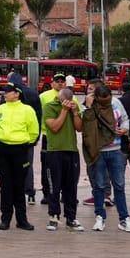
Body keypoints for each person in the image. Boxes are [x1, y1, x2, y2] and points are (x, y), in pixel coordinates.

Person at [81, 84, 130, 233]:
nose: (106, 102)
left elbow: (125, 119)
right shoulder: (90, 106)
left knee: (119, 185)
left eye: (108, 99)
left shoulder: (117, 103)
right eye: (103, 100)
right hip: (98, 151)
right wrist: (88, 106)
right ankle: (100, 217)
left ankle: (124, 219)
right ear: (97, 98)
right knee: (99, 186)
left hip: (116, 150)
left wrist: (124, 129)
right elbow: (85, 125)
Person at [0, 81, 39, 231]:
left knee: (19, 185)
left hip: (20, 150)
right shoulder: (0, 109)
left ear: (17, 94)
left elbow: (33, 131)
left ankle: (22, 219)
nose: (4, 94)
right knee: (5, 185)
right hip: (3, 150)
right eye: (4, 91)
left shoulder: (27, 110)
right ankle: (5, 218)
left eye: (8, 91)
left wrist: (26, 144)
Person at [42, 88, 85, 231]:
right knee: (54, 186)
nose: (67, 102)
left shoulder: (74, 106)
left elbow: (79, 128)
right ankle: (53, 216)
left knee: (71, 187)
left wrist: (74, 112)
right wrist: (64, 111)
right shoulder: (49, 107)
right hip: (54, 151)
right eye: (64, 100)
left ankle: (71, 218)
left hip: (71, 151)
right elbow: (54, 127)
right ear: (58, 99)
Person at [4, 71, 42, 206]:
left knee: (10, 168)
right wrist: (35, 138)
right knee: (28, 165)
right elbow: (38, 117)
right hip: (27, 139)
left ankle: (14, 193)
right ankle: (30, 193)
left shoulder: (9, 95)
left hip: (9, 139)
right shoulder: (33, 94)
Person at [38, 72, 68, 205]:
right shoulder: (43, 96)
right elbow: (38, 115)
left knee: (64, 166)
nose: (60, 83)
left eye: (62, 81)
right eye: (57, 81)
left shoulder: (69, 96)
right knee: (47, 166)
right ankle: (47, 193)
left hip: (65, 137)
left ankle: (63, 193)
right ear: (52, 83)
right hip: (48, 135)